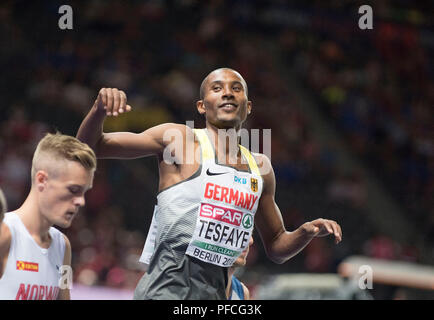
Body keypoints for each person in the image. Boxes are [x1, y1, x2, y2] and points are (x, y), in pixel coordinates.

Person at [76, 67, 342, 300]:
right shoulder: (179, 139)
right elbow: (90, 147)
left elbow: (276, 246)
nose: (227, 93)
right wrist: (99, 110)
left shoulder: (260, 168)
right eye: (217, 88)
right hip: (165, 292)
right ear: (202, 106)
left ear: (247, 106)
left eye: (236, 89)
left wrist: (305, 232)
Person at [0, 133, 96, 300]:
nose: (81, 201)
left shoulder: (63, 245)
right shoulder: (5, 233)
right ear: (42, 180)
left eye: (84, 192)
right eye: (73, 190)